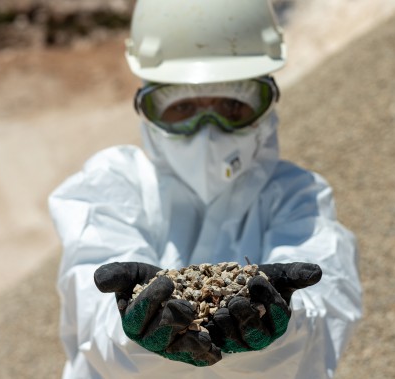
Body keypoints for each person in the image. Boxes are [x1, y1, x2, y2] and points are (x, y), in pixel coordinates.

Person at [48, 0, 362, 377]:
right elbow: (94, 316)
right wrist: (133, 333)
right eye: (182, 108)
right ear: (145, 107)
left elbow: (324, 317)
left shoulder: (299, 196)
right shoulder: (110, 186)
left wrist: (281, 330)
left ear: (268, 103)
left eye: (232, 105)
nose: (208, 131)